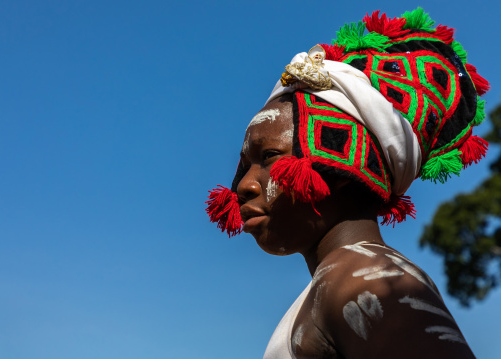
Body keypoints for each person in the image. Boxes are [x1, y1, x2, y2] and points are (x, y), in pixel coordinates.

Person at [206, 8, 488, 358]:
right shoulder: (340, 280)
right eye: (244, 166)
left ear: (338, 165)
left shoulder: (358, 275)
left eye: (268, 158)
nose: (245, 185)